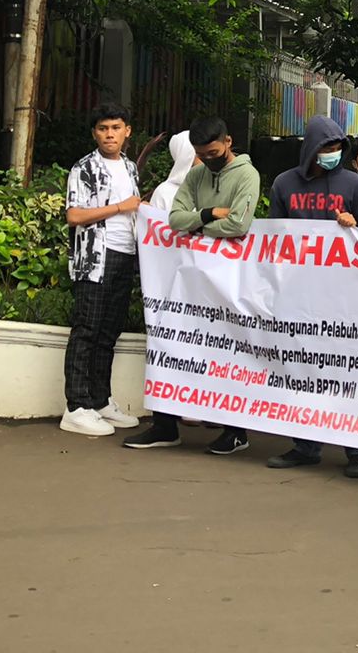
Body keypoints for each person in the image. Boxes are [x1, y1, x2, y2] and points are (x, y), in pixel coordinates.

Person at [123, 118, 259, 455]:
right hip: (187, 279)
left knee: (227, 349)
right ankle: (165, 425)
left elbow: (240, 223)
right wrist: (211, 213)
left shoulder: (246, 175)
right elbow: (174, 219)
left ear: (228, 142)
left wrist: (197, 224)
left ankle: (235, 431)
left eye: (213, 152)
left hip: (228, 277)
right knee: (172, 344)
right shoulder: (197, 175)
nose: (207, 159)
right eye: (201, 154)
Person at [264, 114, 358, 476]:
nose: (333, 154)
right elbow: (273, 237)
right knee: (304, 371)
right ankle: (305, 446)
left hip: (344, 296)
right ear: (311, 148)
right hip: (300, 294)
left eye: (338, 148)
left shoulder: (353, 184)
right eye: (327, 147)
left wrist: (354, 225)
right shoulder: (283, 184)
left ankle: (356, 451)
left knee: (348, 372)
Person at [61, 104, 144, 437]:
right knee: (87, 330)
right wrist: (121, 207)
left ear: (127, 131)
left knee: (109, 332)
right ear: (94, 133)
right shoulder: (84, 168)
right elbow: (75, 216)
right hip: (95, 258)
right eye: (103, 128)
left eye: (115, 127)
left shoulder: (130, 167)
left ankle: (100, 401)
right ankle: (76, 407)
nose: (109, 134)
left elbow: (135, 211)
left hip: (125, 255)